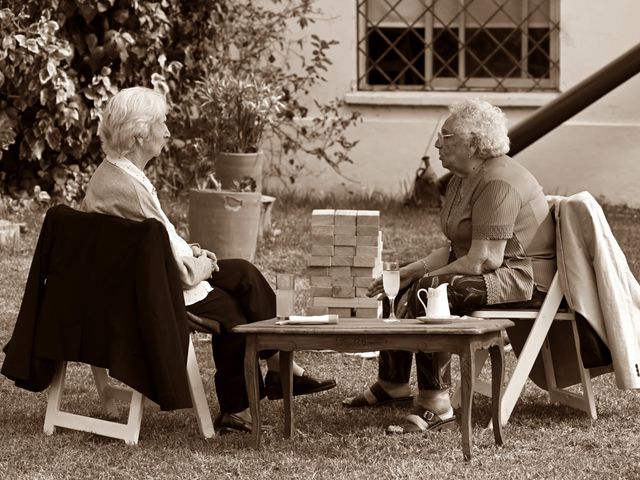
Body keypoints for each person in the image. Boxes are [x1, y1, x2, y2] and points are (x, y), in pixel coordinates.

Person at [82, 86, 336, 434]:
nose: (168, 131)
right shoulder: (128, 187)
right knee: (230, 309)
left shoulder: (113, 173)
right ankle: (244, 401)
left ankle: (275, 368)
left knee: (244, 272)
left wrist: (193, 250)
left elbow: (155, 238)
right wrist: (201, 264)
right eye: (162, 123)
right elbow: (178, 271)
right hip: (148, 289)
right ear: (140, 133)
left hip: (143, 274)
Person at [343, 98, 556, 434]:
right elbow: (458, 247)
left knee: (432, 292)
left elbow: (485, 258)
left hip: (523, 278)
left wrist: (426, 278)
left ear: (474, 143)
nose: (438, 143)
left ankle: (436, 404)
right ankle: (393, 383)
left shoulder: (499, 181)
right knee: (396, 284)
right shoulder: (461, 178)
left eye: (447, 136)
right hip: (491, 268)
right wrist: (410, 271)